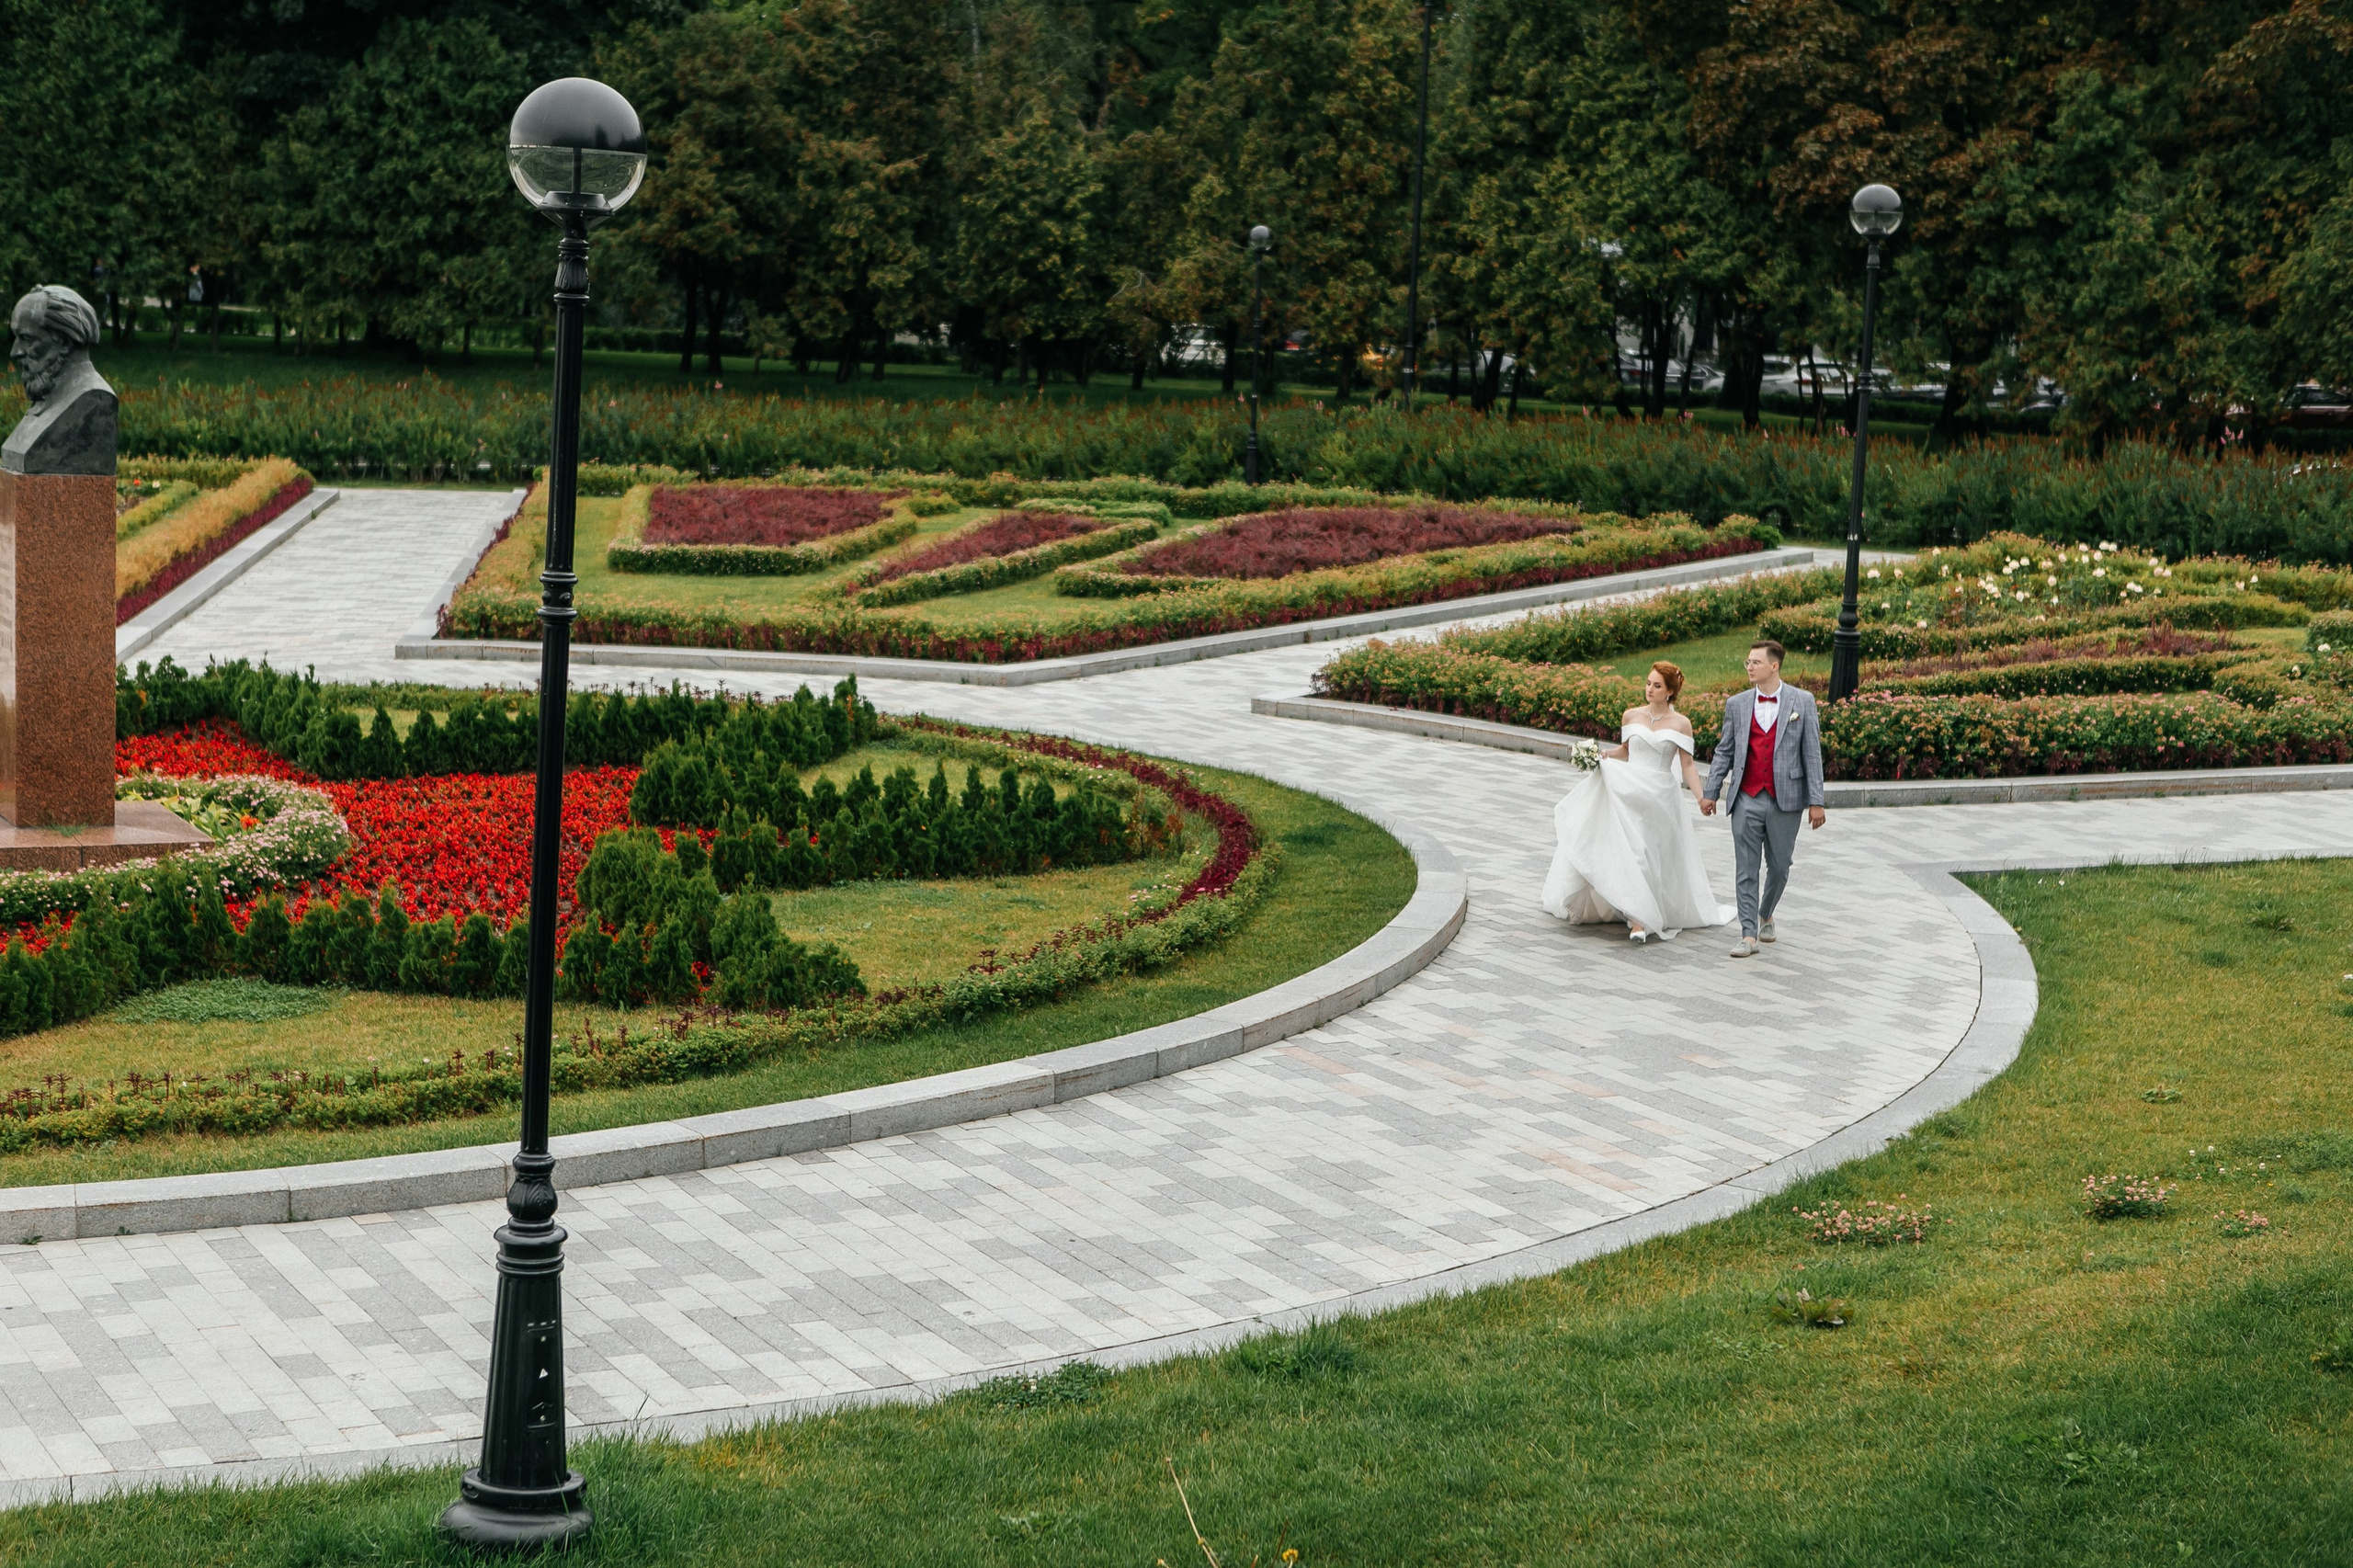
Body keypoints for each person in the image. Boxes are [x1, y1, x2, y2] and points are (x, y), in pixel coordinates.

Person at [1540, 660, 1733, 942]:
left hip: (1660, 796)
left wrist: (1701, 798)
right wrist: (1602, 756)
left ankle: (1643, 911)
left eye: (1657, 686)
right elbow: (1627, 750)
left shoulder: (1681, 724)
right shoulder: (1631, 716)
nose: (1650, 689)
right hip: (1628, 790)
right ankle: (1637, 919)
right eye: (1648, 683)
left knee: (1649, 854)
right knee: (1631, 852)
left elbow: (1688, 765)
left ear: (1670, 692)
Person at [1699, 639, 1825, 959]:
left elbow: (1812, 754)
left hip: (1787, 798)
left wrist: (1816, 801)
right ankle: (1747, 934)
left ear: (1774, 665)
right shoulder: (1737, 704)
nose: (1749, 667)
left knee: (1781, 865)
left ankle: (1766, 912)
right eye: (1747, 662)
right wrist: (1711, 792)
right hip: (1746, 795)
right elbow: (1725, 750)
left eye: (1755, 662)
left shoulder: (1803, 701)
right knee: (1746, 867)